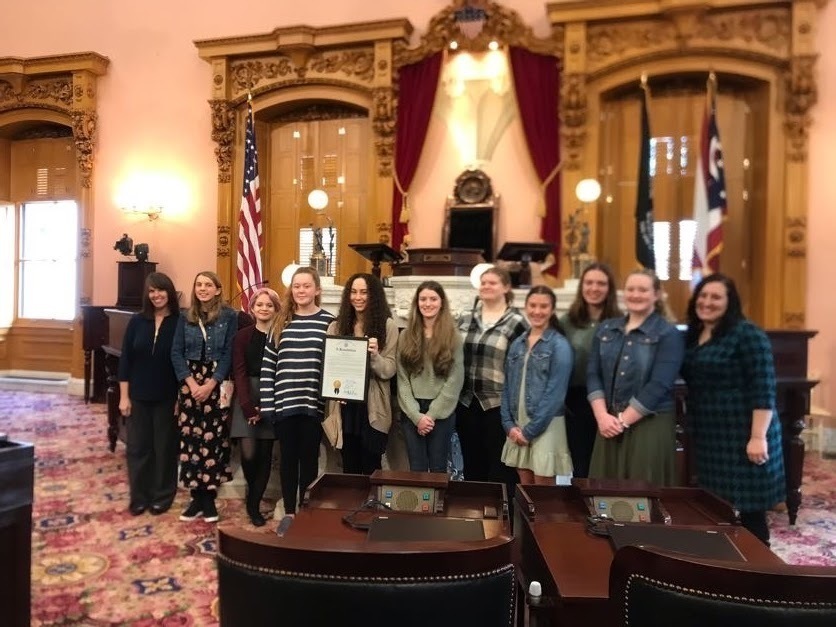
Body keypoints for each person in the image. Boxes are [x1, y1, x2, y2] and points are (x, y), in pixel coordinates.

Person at [681, 273, 785, 546]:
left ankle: (760, 569)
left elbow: (764, 386)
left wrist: (758, 436)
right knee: (718, 506)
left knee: (751, 509)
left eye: (716, 297)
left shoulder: (747, 333)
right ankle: (726, 561)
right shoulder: (695, 333)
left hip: (744, 433)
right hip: (712, 436)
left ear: (730, 302)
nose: (707, 302)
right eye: (703, 296)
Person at [587, 269, 684, 486]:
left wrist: (622, 422)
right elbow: (593, 374)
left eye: (643, 290)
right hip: (608, 421)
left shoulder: (668, 333)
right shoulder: (606, 329)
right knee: (604, 492)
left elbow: (659, 385)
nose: (636, 295)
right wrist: (602, 416)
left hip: (649, 423)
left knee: (642, 492)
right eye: (631, 289)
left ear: (656, 295)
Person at [260, 267, 334, 530]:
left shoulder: (329, 321)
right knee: (288, 460)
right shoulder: (281, 320)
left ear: (317, 290)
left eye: (306, 286)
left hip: (313, 405)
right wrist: (269, 404)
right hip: (284, 404)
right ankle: (290, 512)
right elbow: (268, 366)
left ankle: (306, 510)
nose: (301, 291)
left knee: (310, 460)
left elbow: (334, 364)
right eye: (297, 286)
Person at [171, 270, 237, 523]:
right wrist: (190, 382)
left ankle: (208, 497)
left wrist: (211, 383)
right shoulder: (184, 316)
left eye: (208, 285)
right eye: (199, 284)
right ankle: (194, 496)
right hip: (189, 380)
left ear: (218, 289)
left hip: (216, 381)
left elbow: (230, 352)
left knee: (213, 437)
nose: (203, 289)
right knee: (190, 437)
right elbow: (176, 352)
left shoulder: (229, 316)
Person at [118, 272, 181, 516]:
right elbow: (125, 360)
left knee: (164, 448)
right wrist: (124, 396)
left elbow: (182, 362)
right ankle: (139, 496)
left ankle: (162, 495)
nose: (156, 295)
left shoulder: (180, 322)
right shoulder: (136, 322)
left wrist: (179, 398)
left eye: (161, 290)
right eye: (152, 291)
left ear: (169, 292)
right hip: (138, 395)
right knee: (138, 447)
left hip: (167, 396)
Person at [457, 266, 527, 483]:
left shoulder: (516, 321)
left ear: (506, 287)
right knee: (471, 466)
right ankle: (474, 514)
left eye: (492, 282)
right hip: (466, 402)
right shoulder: (466, 318)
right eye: (483, 282)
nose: (486, 286)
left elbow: (522, 368)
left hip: (499, 405)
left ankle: (502, 515)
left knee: (500, 468)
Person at [326, 273, 398, 474]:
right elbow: (331, 368)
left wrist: (375, 356)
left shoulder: (387, 326)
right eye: (354, 292)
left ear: (373, 295)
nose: (358, 297)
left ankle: (371, 506)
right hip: (345, 407)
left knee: (371, 467)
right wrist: (335, 392)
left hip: (373, 408)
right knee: (349, 467)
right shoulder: (336, 326)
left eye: (364, 292)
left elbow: (390, 369)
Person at [500, 286, 574, 485]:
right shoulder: (517, 344)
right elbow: (506, 386)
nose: (537, 311)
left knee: (543, 492)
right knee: (525, 489)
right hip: (518, 424)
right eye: (532, 305)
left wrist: (530, 431)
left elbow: (555, 394)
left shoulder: (559, 345)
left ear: (552, 310)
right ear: (525, 307)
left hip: (546, 425)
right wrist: (508, 425)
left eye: (544, 306)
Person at [559, 263, 621, 478]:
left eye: (601, 283)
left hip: (611, 401)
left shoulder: (620, 322)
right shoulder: (567, 322)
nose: (594, 288)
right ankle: (583, 509)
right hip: (575, 401)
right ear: (582, 287)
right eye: (589, 283)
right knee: (581, 461)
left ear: (609, 288)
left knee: (608, 463)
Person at [397, 281, 464, 473]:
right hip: (412, 411)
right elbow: (402, 379)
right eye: (423, 299)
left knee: (438, 467)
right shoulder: (405, 336)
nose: (428, 304)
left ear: (441, 302)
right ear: (417, 303)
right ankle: (419, 505)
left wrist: (431, 415)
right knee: (416, 468)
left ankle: (438, 504)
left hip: (442, 411)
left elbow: (455, 380)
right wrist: (416, 416)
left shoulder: (454, 337)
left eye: (433, 299)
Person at [231, 287, 281, 527]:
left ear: (276, 309)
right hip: (245, 398)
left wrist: (269, 404)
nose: (264, 308)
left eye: (269, 305)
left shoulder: (282, 335)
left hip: (273, 396)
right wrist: (248, 407)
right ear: (251, 308)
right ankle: (253, 494)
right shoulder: (242, 336)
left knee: (264, 455)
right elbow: (238, 372)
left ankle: (253, 505)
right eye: (259, 304)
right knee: (249, 454)